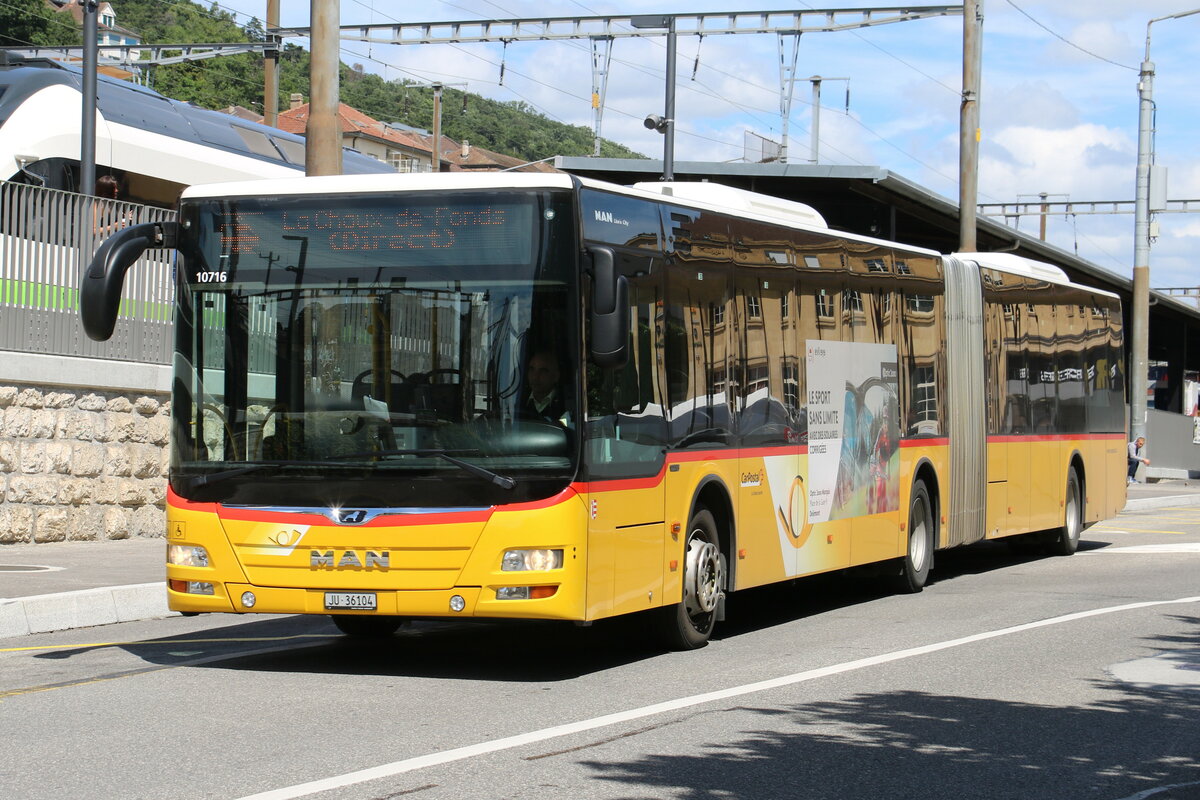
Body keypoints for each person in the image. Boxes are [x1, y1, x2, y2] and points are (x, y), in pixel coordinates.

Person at [520, 349, 567, 424]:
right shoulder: (518, 402)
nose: (535, 377)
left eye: (543, 371)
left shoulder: (568, 405)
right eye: (531, 369)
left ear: (556, 376)